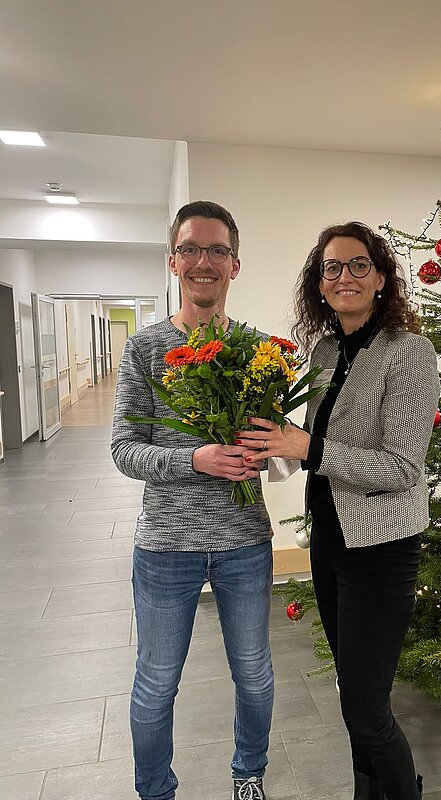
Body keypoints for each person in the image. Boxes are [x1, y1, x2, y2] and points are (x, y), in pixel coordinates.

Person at [237, 221, 440, 800]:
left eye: (357, 265)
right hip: (330, 541)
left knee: (366, 707)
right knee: (352, 697)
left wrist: (307, 448)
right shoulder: (326, 349)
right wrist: (275, 437)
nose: (343, 276)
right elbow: (317, 443)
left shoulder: (409, 351)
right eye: (331, 267)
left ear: (380, 277)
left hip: (380, 548)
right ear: (318, 282)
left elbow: (402, 467)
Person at [111, 201, 274, 800]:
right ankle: (155, 791)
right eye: (191, 250)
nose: (204, 262)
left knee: (254, 675)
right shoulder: (145, 350)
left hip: (246, 542)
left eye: (217, 251)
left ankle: (248, 775)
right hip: (165, 545)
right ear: (174, 262)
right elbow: (125, 451)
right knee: (156, 682)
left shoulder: (258, 352)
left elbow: (276, 448)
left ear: (235, 265)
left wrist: (266, 452)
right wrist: (194, 459)